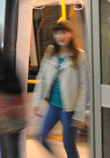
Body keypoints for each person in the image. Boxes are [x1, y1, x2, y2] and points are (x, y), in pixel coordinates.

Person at [33, 20, 88, 158]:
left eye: (64, 32)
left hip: (69, 109)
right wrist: (36, 102)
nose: (60, 36)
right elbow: (42, 77)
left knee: (69, 145)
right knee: (41, 136)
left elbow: (85, 86)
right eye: (57, 33)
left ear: (71, 34)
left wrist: (80, 114)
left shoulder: (79, 55)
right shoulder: (50, 52)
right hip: (53, 106)